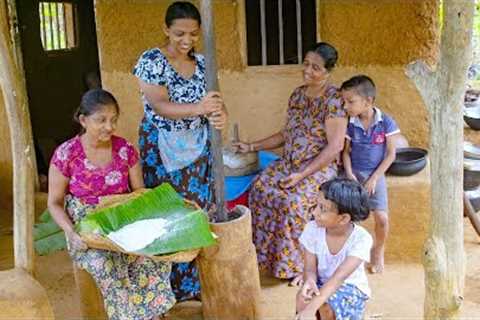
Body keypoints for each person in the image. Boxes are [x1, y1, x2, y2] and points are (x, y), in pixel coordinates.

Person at [47, 89, 175, 320]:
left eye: (114, 120)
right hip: (87, 229)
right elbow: (54, 203)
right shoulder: (66, 154)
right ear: (83, 120)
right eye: (101, 120)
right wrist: (72, 232)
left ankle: (153, 315)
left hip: (123, 222)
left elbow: (139, 193)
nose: (109, 126)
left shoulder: (125, 150)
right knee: (108, 266)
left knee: (152, 259)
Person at [133, 1, 227, 301]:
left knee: (196, 211)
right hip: (161, 149)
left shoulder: (202, 64)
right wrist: (200, 108)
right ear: (166, 30)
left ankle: (192, 285)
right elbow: (160, 105)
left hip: (198, 147)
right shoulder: (151, 60)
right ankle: (166, 287)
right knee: (167, 214)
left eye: (193, 34)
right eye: (179, 34)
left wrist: (220, 114)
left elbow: (215, 103)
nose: (187, 40)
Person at [234, 42, 347, 284]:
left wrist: (303, 174)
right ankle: (266, 258)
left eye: (315, 67)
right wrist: (252, 146)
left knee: (293, 202)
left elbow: (335, 146)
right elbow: (286, 134)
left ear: (328, 72)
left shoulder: (334, 100)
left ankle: (300, 267)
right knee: (260, 188)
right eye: (306, 64)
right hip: (289, 164)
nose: (308, 70)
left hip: (317, 169)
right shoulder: (297, 94)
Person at [341, 75, 400, 273]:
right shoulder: (350, 123)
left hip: (376, 175)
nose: (346, 106)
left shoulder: (386, 123)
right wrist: (349, 175)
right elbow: (346, 153)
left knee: (382, 218)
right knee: (352, 220)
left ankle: (378, 250)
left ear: (368, 101)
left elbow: (391, 155)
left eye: (350, 102)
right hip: (354, 174)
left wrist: (374, 178)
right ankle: (353, 258)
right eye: (344, 101)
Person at [295, 178, 372, 320]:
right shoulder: (312, 229)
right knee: (302, 299)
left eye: (322, 209)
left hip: (350, 287)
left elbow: (339, 278)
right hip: (322, 282)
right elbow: (310, 269)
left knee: (324, 306)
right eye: (316, 205)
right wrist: (309, 281)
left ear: (343, 219)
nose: (315, 213)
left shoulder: (361, 239)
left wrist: (311, 309)